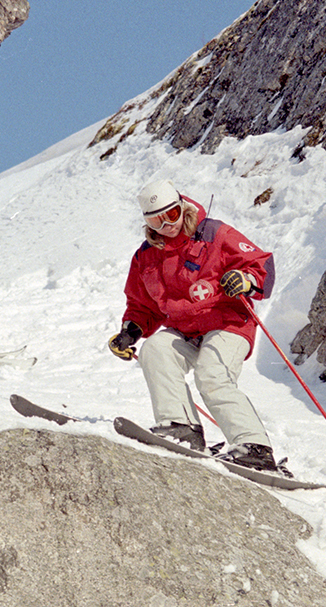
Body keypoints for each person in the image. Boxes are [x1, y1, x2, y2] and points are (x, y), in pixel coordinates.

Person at [107, 179, 280, 472]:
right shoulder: (146, 256)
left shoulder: (214, 233)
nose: (166, 225)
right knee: (156, 350)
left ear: (181, 207)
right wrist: (130, 331)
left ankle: (255, 447)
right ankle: (181, 427)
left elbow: (260, 264)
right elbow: (142, 305)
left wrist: (246, 280)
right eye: (155, 220)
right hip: (186, 330)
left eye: (171, 215)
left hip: (228, 322)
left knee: (212, 374)